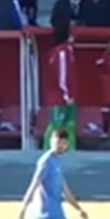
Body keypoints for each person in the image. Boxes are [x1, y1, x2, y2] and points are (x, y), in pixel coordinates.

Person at [17, 129, 88, 219]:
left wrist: (78, 209)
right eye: (58, 142)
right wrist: (23, 208)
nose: (61, 146)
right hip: (49, 213)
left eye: (64, 143)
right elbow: (34, 184)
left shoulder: (57, 162)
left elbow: (65, 190)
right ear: (51, 142)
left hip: (52, 212)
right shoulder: (46, 161)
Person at [45, 21, 78, 151]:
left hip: (67, 96)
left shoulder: (68, 50)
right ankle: (49, 152)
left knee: (69, 126)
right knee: (56, 127)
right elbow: (62, 75)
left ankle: (70, 152)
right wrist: (67, 96)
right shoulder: (61, 52)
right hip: (59, 98)